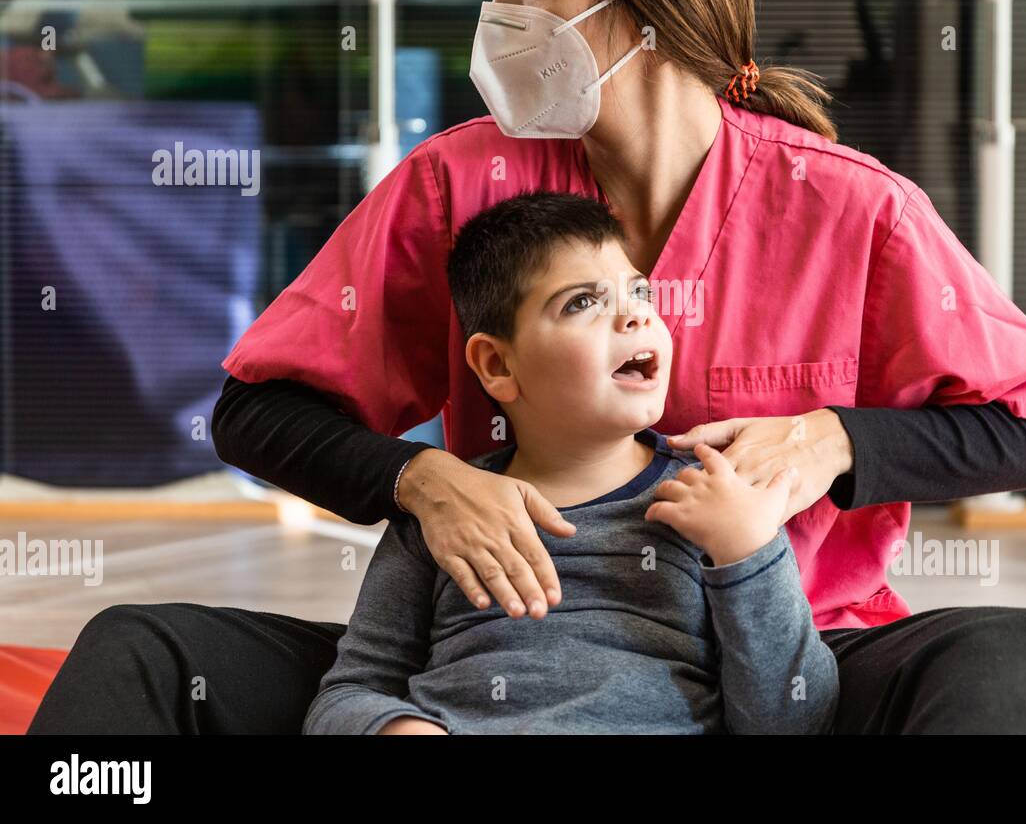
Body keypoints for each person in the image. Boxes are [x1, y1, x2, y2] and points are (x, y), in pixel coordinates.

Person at [29, 0, 1026, 735]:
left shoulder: (853, 210)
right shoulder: (457, 187)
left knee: (1015, 651)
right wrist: (419, 477)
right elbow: (252, 409)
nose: (503, 9)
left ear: (646, 1)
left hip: (787, 669)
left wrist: (831, 441)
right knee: (144, 650)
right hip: (498, 667)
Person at [305, 191, 838, 735]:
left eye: (639, 291)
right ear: (496, 364)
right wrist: (396, 728)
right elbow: (349, 692)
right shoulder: (442, 514)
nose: (634, 315)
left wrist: (746, 552)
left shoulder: (719, 505)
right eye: (582, 302)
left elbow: (796, 719)